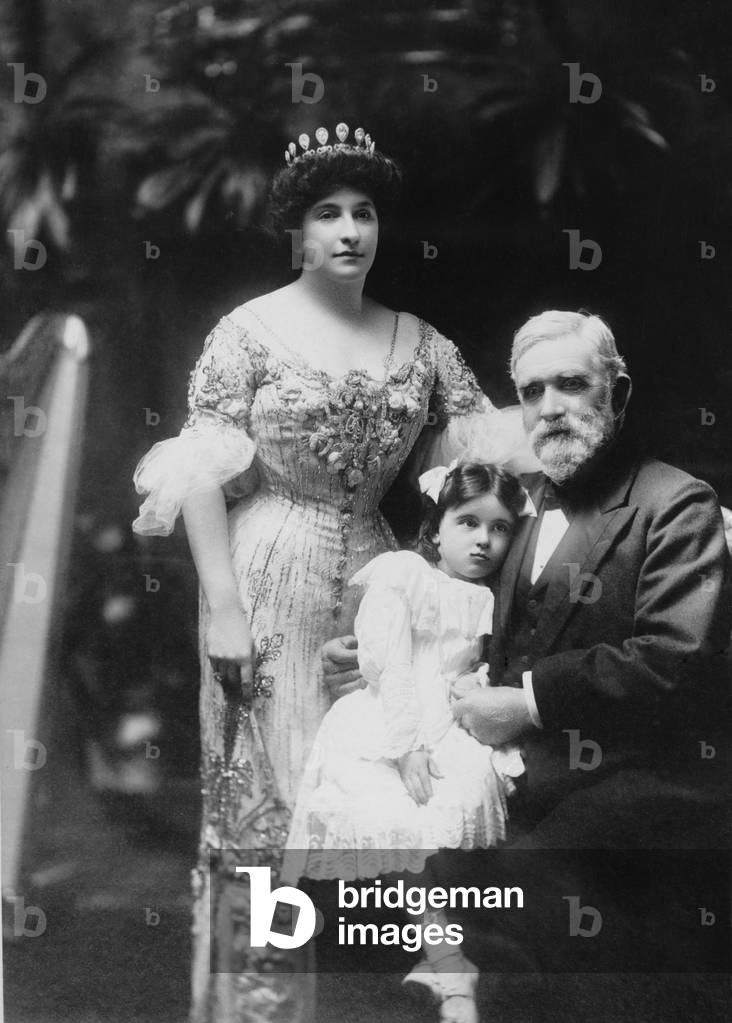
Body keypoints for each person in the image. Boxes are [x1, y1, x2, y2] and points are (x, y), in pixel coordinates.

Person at [131, 124, 532, 1023]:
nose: (350, 230)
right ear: (297, 232)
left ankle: (406, 980)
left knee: (378, 767)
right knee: (262, 786)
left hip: (373, 568)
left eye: (364, 213)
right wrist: (222, 608)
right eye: (327, 214)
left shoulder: (419, 343)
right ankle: (256, 1001)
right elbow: (200, 467)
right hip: (264, 569)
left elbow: (476, 464)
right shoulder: (250, 331)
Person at [322, 310, 731, 1009]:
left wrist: (529, 701)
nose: (550, 408)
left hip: (636, 774)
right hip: (522, 766)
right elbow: (476, 628)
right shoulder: (518, 508)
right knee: (363, 852)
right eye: (532, 390)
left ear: (619, 394)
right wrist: (376, 658)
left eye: (571, 384)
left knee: (514, 876)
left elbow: (675, 656)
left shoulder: (674, 504)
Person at [285, 461, 532, 1023]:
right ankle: (445, 959)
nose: (484, 541)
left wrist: (477, 688)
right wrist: (406, 743)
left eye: (499, 530)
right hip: (390, 724)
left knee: (434, 841)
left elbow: (471, 666)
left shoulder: (485, 597)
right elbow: (388, 661)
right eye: (468, 523)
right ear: (437, 526)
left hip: (450, 723)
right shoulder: (403, 573)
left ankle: (445, 955)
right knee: (401, 833)